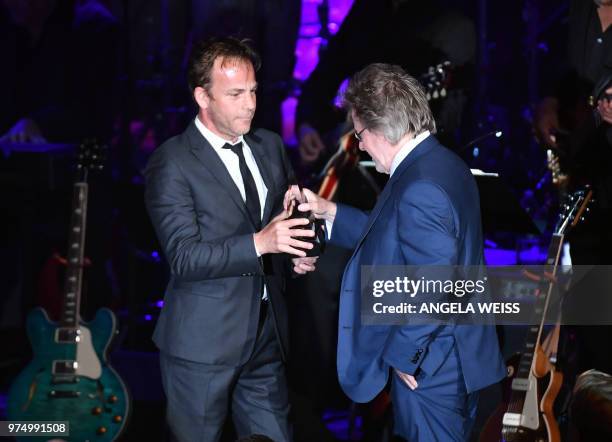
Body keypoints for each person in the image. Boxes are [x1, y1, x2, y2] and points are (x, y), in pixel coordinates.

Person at [296, 63, 506, 440]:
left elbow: (436, 282)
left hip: (432, 369)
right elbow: (396, 237)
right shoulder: (439, 163)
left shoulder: (419, 186)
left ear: (380, 129)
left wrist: (403, 353)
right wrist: (330, 212)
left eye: (359, 134)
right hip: (454, 356)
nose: (358, 145)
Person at [144, 37, 316, 442]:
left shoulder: (270, 145)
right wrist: (262, 243)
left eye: (254, 91)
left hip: (265, 334)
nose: (250, 104)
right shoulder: (172, 162)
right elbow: (184, 258)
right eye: (236, 94)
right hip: (201, 346)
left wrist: (297, 252)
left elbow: (282, 223)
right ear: (202, 97)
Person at [533, 0, 612, 375]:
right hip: (584, 184)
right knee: (590, 311)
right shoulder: (576, 13)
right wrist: (549, 103)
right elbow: (560, 74)